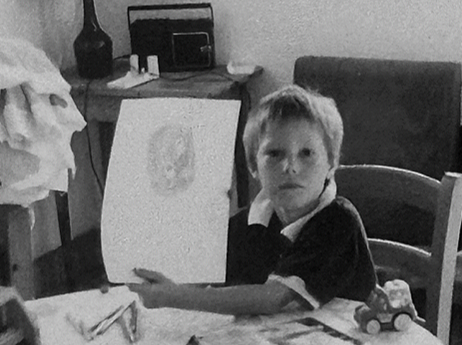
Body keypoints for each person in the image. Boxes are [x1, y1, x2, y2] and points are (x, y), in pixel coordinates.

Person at [132, 83, 376, 315]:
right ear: (253, 166)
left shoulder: (338, 221)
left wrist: (172, 298)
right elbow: (211, 275)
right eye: (274, 153)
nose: (290, 167)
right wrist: (172, 285)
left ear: (331, 164)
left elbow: (273, 298)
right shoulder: (250, 222)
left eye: (307, 153)